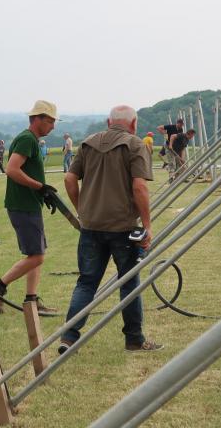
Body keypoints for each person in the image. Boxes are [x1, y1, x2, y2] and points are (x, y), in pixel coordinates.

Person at [59, 105, 163, 354]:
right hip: (123, 228)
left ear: (108, 122)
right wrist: (147, 226)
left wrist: (82, 209)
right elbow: (139, 188)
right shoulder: (135, 144)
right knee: (129, 282)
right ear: (134, 124)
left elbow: (69, 179)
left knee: (86, 283)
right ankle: (134, 339)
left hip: (91, 226)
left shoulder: (87, 143)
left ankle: (69, 336)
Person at [0, 101, 59, 316]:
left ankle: (32, 300)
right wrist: (40, 187)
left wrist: (41, 193)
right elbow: (12, 170)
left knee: (37, 252)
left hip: (28, 204)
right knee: (37, 256)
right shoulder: (27, 139)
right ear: (37, 119)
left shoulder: (32, 140)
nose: (53, 126)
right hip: (23, 205)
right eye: (50, 120)